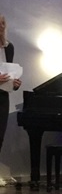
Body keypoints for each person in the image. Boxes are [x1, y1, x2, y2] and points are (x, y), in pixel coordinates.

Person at [0, 15, 22, 162]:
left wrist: (14, 84)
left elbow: (9, 73)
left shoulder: (9, 48)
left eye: (3, 24)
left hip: (2, 98)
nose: (1, 27)